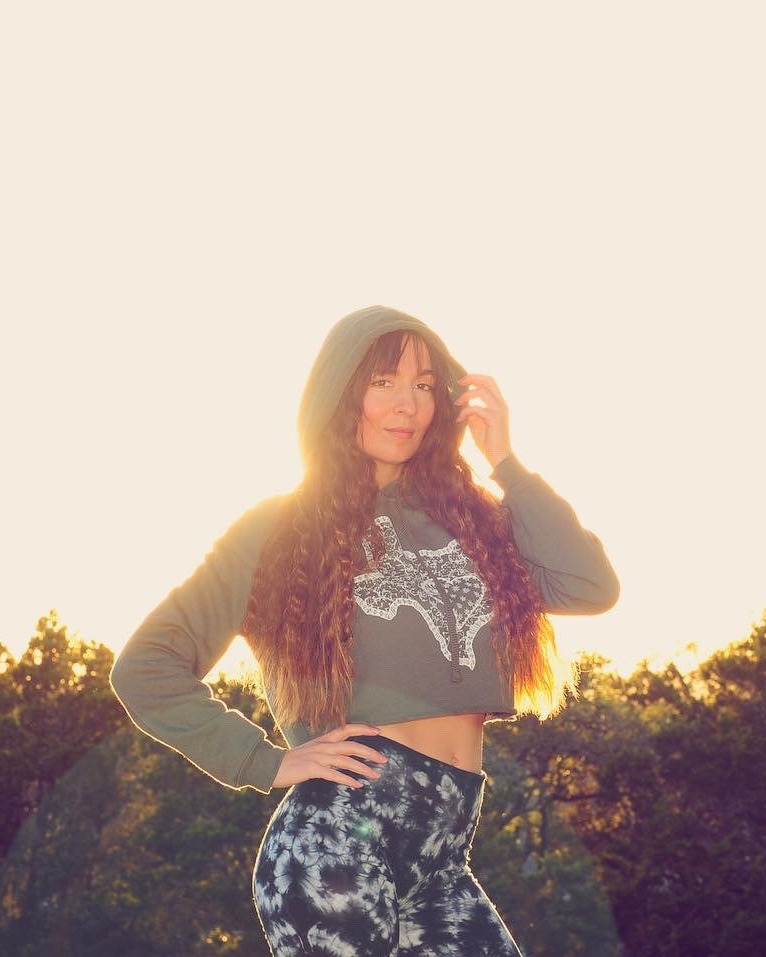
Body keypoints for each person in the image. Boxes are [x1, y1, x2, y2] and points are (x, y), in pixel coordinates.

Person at [109, 304, 620, 956]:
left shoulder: (473, 523)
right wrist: (264, 761)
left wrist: (506, 462)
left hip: (442, 859)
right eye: (384, 381)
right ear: (342, 391)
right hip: (338, 848)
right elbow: (146, 666)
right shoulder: (281, 528)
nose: (407, 404)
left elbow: (590, 584)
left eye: (425, 384)